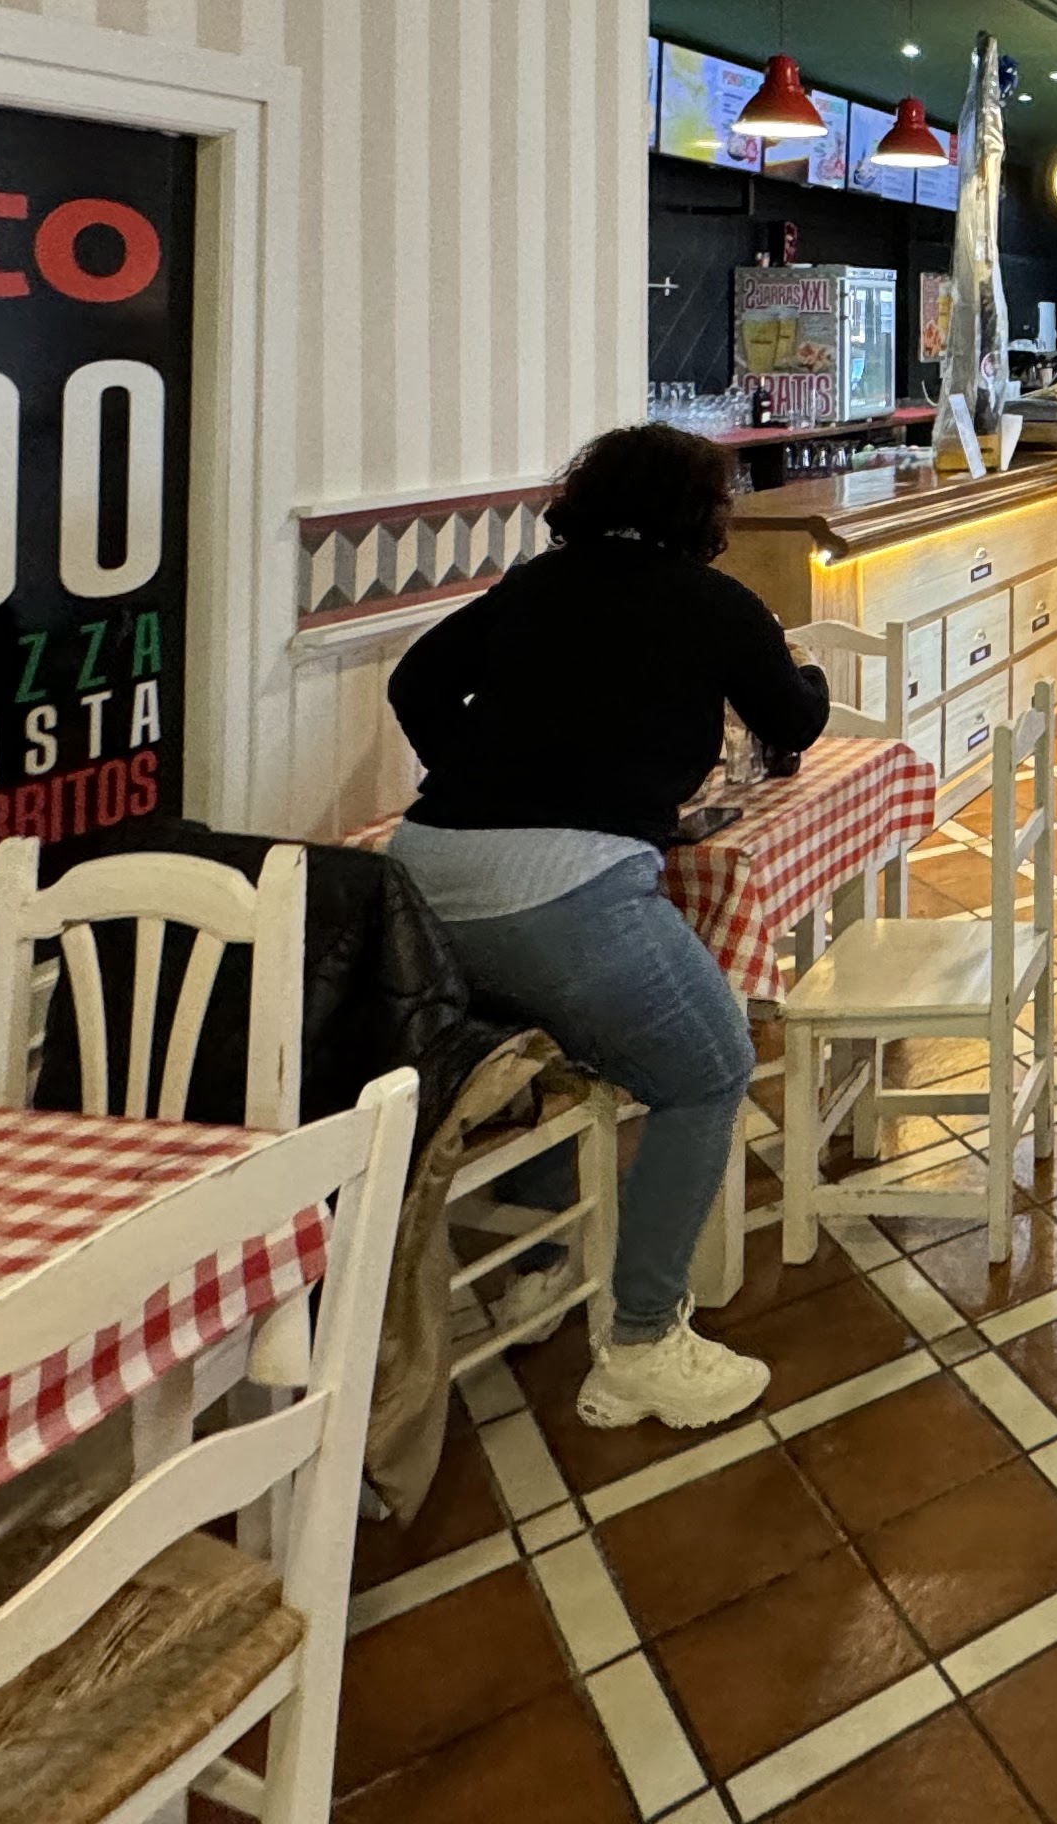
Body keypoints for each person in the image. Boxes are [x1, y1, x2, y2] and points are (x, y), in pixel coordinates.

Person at [380, 423, 826, 1431]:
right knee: (708, 1068)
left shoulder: (535, 587)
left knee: (541, 1046)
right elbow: (792, 723)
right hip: (566, 887)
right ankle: (642, 1343)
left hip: (420, 881)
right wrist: (807, 675)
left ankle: (538, 1268)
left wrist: (486, 774)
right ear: (703, 513)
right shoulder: (714, 603)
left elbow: (414, 684)